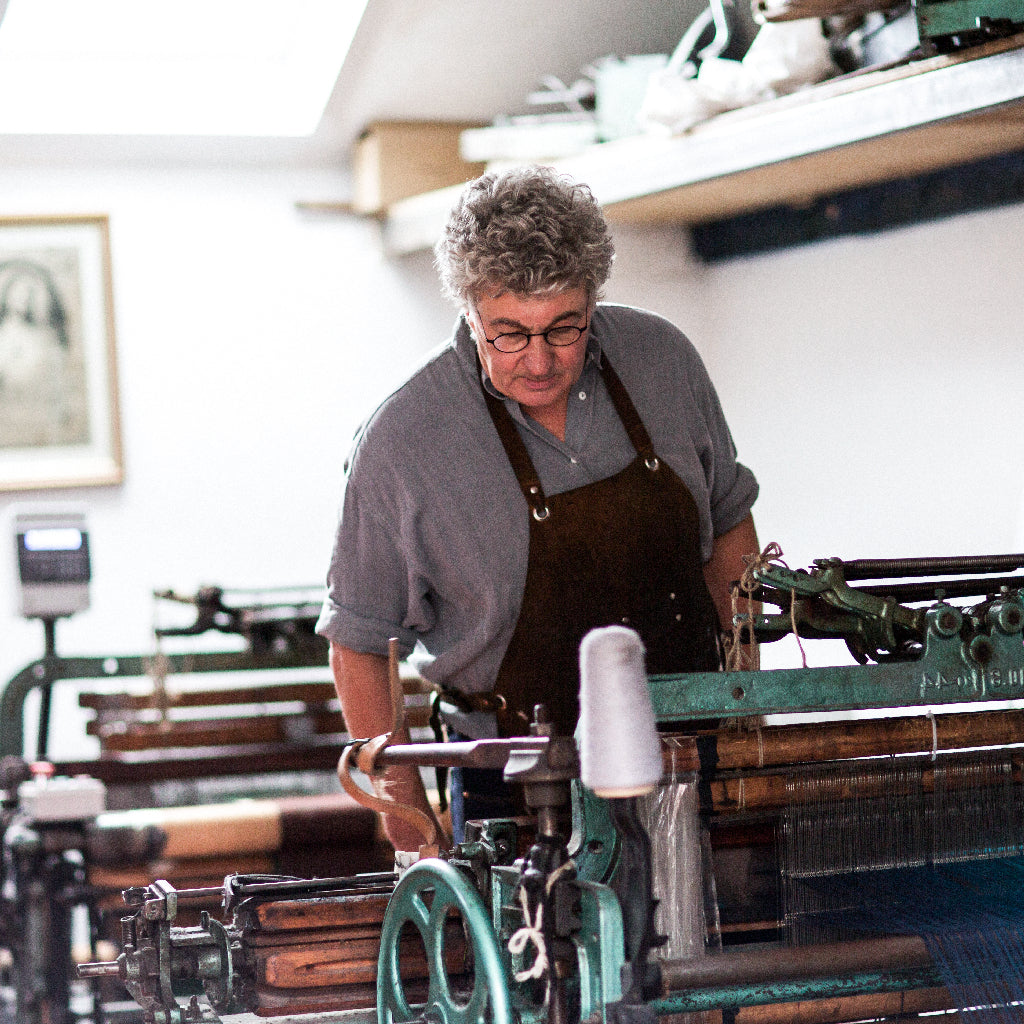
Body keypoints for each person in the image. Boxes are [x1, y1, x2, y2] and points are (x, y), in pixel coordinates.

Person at [316, 166, 759, 851]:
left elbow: (730, 531)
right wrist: (409, 828)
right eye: (509, 334)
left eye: (563, 328)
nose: (540, 362)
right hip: (514, 796)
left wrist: (746, 711)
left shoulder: (664, 362)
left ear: (594, 301)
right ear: (468, 310)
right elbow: (359, 643)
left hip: (692, 763)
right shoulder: (401, 443)